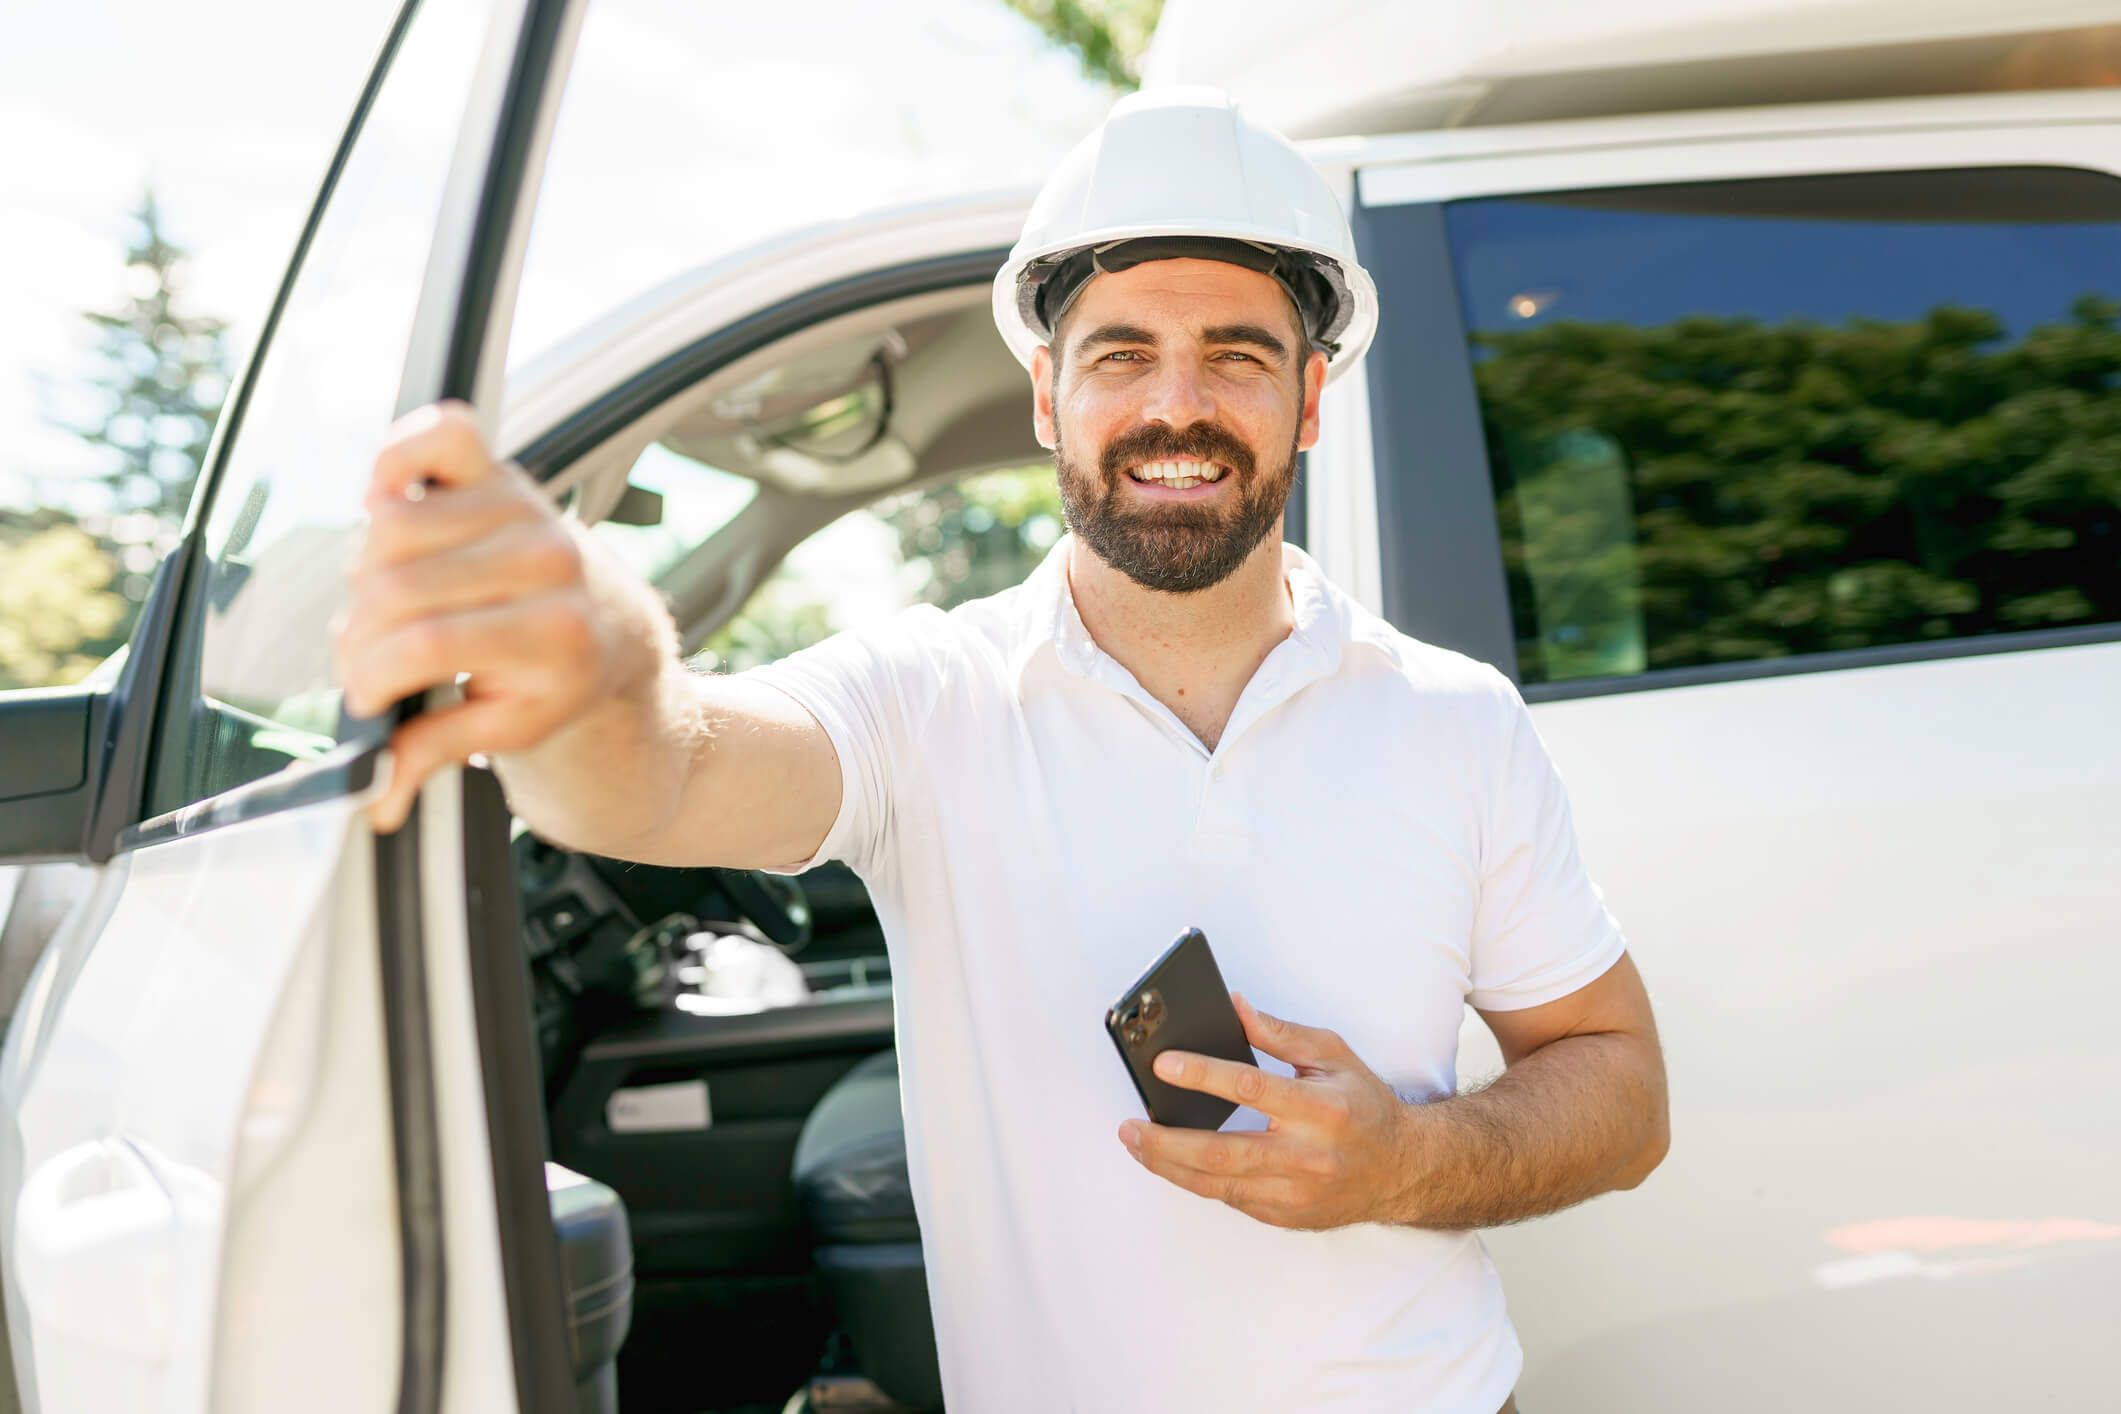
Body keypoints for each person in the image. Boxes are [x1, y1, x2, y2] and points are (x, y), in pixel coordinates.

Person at [336, 86, 1667, 1414]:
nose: (1177, 406)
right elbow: (669, 770)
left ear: (1309, 398)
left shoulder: (1456, 716)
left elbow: (1620, 1085)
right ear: (1047, 395)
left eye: (1238, 356)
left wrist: (1408, 1163)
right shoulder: (926, 695)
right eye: (1121, 354)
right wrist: (599, 667)